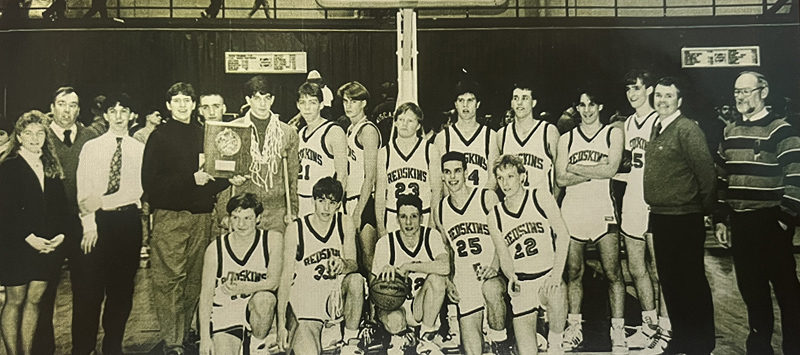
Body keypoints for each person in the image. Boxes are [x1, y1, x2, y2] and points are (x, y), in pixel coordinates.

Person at [141, 82, 233, 355]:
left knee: (194, 279)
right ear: (168, 105)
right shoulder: (159, 136)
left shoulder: (206, 134)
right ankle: (172, 342)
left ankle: (185, 333)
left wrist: (229, 180)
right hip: (171, 217)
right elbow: (150, 184)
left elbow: (212, 180)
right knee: (170, 281)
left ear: (195, 105)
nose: (182, 105)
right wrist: (189, 179)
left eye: (187, 100)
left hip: (202, 217)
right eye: (176, 100)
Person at [715, 71, 800, 355]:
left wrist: (784, 220)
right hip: (741, 225)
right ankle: (760, 349)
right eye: (737, 91)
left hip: (770, 224)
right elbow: (721, 179)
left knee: (788, 294)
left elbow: (796, 178)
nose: (740, 97)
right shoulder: (729, 132)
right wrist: (720, 218)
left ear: (763, 92)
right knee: (753, 294)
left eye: (746, 91)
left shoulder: (782, 130)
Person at [643, 76, 716, 355]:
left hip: (685, 218)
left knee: (691, 281)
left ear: (679, 101)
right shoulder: (657, 127)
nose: (662, 100)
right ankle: (683, 338)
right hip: (662, 217)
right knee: (670, 281)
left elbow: (707, 175)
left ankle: (701, 344)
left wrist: (705, 212)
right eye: (659, 95)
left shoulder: (687, 129)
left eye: (668, 96)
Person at [555, 88, 627, 353]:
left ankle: (617, 330)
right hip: (573, 210)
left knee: (613, 272)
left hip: (602, 210)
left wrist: (575, 168)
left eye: (591, 104)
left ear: (600, 106)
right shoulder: (567, 139)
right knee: (573, 273)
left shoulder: (612, 133)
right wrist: (592, 172)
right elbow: (560, 179)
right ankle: (575, 328)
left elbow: (612, 169)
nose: (586, 110)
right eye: (582, 105)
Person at [72, 93, 144, 355]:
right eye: (112, 111)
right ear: (105, 115)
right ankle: (83, 348)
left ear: (131, 115)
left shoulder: (139, 149)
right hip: (97, 225)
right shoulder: (92, 147)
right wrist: (89, 225)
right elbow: (84, 190)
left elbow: (137, 190)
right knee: (90, 291)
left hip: (127, 222)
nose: (118, 116)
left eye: (123, 110)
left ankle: (112, 346)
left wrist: (99, 201)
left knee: (122, 291)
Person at [0, 110, 69, 355]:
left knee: (35, 301)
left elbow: (61, 207)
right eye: (28, 133)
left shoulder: (50, 165)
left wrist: (59, 236)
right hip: (17, 245)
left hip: (47, 246)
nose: (34, 137)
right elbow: (5, 211)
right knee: (15, 300)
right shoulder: (8, 167)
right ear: (18, 136)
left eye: (40, 132)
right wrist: (29, 239)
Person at [488, 154, 569, 355]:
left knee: (557, 291)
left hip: (546, 278)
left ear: (522, 176)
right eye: (500, 178)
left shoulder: (540, 196)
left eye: (510, 176)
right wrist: (511, 276)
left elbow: (564, 235)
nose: (505, 183)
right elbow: (504, 256)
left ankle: (556, 342)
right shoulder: (495, 215)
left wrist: (556, 275)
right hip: (523, 284)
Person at [277, 177, 365, 355]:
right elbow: (285, 279)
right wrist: (280, 324)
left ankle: (349, 340)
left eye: (332, 202)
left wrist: (343, 264)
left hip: (335, 300)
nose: (326, 208)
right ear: (313, 201)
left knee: (356, 281)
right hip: (307, 304)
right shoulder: (296, 229)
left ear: (339, 205)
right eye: (321, 201)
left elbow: (354, 265)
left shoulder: (344, 223)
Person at [617, 70, 672, 352]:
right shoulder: (628, 122)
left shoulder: (659, 121)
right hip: (632, 201)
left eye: (637, 88)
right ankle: (648, 325)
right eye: (628, 89)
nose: (632, 94)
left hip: (654, 202)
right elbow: (632, 167)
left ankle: (666, 329)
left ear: (649, 90)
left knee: (659, 270)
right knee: (636, 268)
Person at [42, 86, 100, 355]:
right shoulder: (38, 137)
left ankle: (83, 349)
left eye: (73, 105)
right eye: (62, 104)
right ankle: (42, 348)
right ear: (52, 107)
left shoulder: (90, 136)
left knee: (87, 290)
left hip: (83, 225)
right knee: (43, 293)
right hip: (49, 226)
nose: (67, 110)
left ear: (79, 109)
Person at [438, 152, 513, 355]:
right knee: (472, 350)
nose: (452, 177)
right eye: (447, 172)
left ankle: (501, 346)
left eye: (457, 171)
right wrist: (448, 280)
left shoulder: (485, 196)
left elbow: (506, 235)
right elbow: (446, 251)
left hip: (492, 273)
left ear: (466, 172)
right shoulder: (441, 208)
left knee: (490, 289)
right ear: (442, 176)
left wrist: (495, 266)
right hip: (465, 281)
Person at [198, 193, 282, 355]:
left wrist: (244, 287)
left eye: (247, 218)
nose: (241, 224)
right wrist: (205, 338)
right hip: (226, 311)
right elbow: (206, 296)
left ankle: (256, 346)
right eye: (236, 218)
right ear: (229, 219)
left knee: (265, 298)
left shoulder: (272, 239)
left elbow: (273, 282)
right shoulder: (215, 248)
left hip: (257, 310)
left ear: (258, 218)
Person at [214, 75, 299, 234]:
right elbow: (223, 176)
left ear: (272, 99)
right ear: (248, 99)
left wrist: (292, 209)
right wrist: (223, 213)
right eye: (257, 98)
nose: (262, 103)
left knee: (275, 255)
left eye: (267, 98)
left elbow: (292, 175)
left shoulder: (287, 132)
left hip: (277, 210)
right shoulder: (233, 130)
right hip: (243, 210)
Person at [371, 194, 450, 355]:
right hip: (395, 307)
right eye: (403, 217)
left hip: (421, 307)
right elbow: (373, 290)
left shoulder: (431, 236)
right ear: (397, 219)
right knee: (395, 321)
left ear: (421, 218)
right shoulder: (385, 243)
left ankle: (426, 338)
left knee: (437, 279)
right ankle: (399, 338)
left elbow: (445, 267)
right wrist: (384, 276)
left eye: (413, 216)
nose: (408, 222)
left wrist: (410, 267)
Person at [376, 102, 442, 238]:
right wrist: (381, 227)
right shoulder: (385, 152)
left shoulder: (430, 150)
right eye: (401, 120)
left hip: (422, 215)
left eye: (410, 121)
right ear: (395, 123)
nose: (404, 124)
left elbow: (437, 191)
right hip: (394, 216)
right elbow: (380, 194)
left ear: (418, 126)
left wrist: (432, 223)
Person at [339, 81, 382, 274]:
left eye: (353, 101)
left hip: (364, 202)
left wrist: (358, 211)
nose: (348, 106)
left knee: (369, 258)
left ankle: (380, 304)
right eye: (345, 101)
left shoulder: (368, 130)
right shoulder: (349, 129)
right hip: (348, 201)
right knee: (353, 260)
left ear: (363, 103)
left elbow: (370, 176)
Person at [433, 80, 498, 190]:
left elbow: (494, 179)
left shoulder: (490, 136)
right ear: (455, 104)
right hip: (453, 203)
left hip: (481, 203)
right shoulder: (443, 138)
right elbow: (440, 180)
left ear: (478, 104)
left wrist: (479, 201)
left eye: (470, 100)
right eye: (461, 100)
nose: (465, 105)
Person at [498, 82, 560, 194]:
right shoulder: (502, 134)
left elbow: (558, 175)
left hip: (541, 204)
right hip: (513, 206)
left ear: (533, 103)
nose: (519, 103)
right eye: (516, 98)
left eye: (525, 98)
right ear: (511, 103)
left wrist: (553, 202)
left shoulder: (548, 131)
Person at [297, 82, 348, 216]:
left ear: (321, 105)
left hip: (324, 202)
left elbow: (342, 174)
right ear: (298, 105)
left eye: (312, 103)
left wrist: (333, 205)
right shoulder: (299, 133)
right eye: (303, 102)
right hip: (301, 200)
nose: (307, 108)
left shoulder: (333, 131)